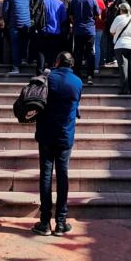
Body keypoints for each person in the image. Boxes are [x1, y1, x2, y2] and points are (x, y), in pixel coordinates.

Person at [31, 51, 83, 236]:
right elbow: (75, 106)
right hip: (65, 134)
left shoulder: (48, 78)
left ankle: (44, 221)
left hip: (45, 132)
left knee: (46, 175)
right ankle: (61, 222)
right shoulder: (77, 82)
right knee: (63, 176)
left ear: (58, 61)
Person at [68, 0, 99, 85]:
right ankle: (90, 75)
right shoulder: (92, 0)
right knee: (90, 52)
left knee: (78, 52)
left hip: (78, 30)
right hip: (90, 30)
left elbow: (71, 15)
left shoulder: (74, 0)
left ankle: (77, 73)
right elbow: (98, 15)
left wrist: (75, 23)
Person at [35, 0, 69, 75]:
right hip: (55, 31)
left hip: (43, 30)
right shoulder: (60, 3)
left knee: (41, 51)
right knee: (53, 51)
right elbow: (63, 19)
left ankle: (40, 70)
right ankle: (51, 69)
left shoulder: (43, 1)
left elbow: (36, 14)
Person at [109, 2, 131, 94]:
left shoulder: (118, 18)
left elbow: (111, 31)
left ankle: (124, 89)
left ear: (121, 10)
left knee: (123, 67)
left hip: (121, 45)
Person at [4, 0, 32, 74]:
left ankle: (16, 67)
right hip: (26, 23)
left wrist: (7, 22)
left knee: (15, 44)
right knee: (24, 43)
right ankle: (24, 60)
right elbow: (29, 7)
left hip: (14, 23)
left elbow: (6, 9)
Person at [87, 0, 106, 69]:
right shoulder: (100, 0)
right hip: (99, 26)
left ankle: (90, 66)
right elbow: (104, 14)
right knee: (97, 45)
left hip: (89, 26)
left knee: (89, 46)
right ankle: (96, 67)